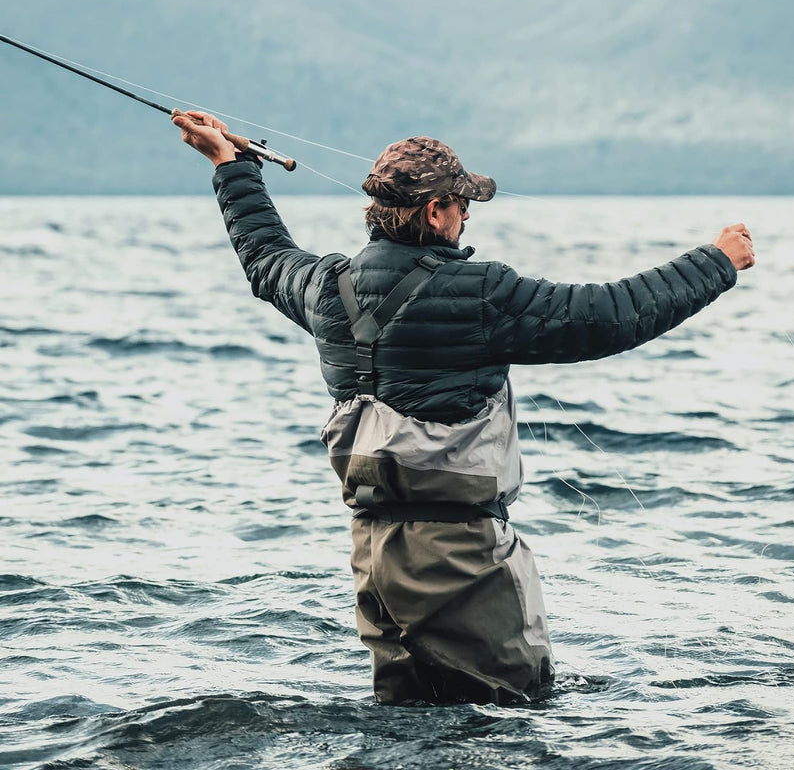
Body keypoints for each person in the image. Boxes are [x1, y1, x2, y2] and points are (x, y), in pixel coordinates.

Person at [172, 110, 755, 705]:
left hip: (374, 555)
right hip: (462, 559)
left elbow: (265, 258)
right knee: (506, 716)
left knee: (407, 724)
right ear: (434, 212)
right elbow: (607, 316)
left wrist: (231, 166)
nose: (467, 214)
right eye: (461, 203)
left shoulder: (326, 288)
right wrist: (715, 262)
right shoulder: (481, 293)